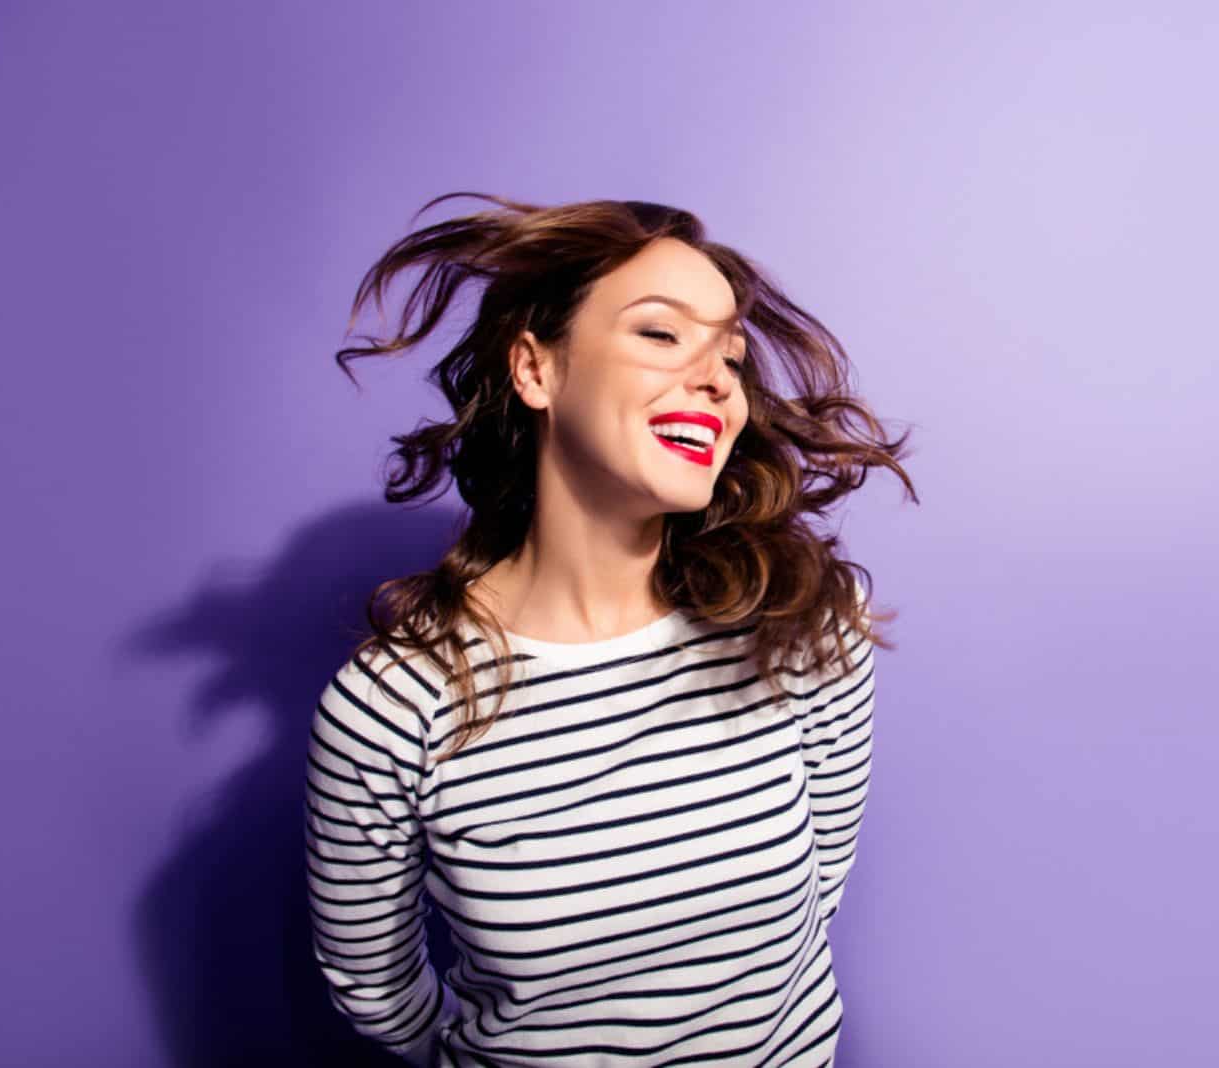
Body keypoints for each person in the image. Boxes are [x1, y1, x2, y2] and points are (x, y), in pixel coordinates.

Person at [304, 194, 916, 1066]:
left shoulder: (802, 629)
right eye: (661, 335)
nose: (715, 380)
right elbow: (374, 988)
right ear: (535, 370)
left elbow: (807, 910)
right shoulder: (393, 705)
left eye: (731, 357)